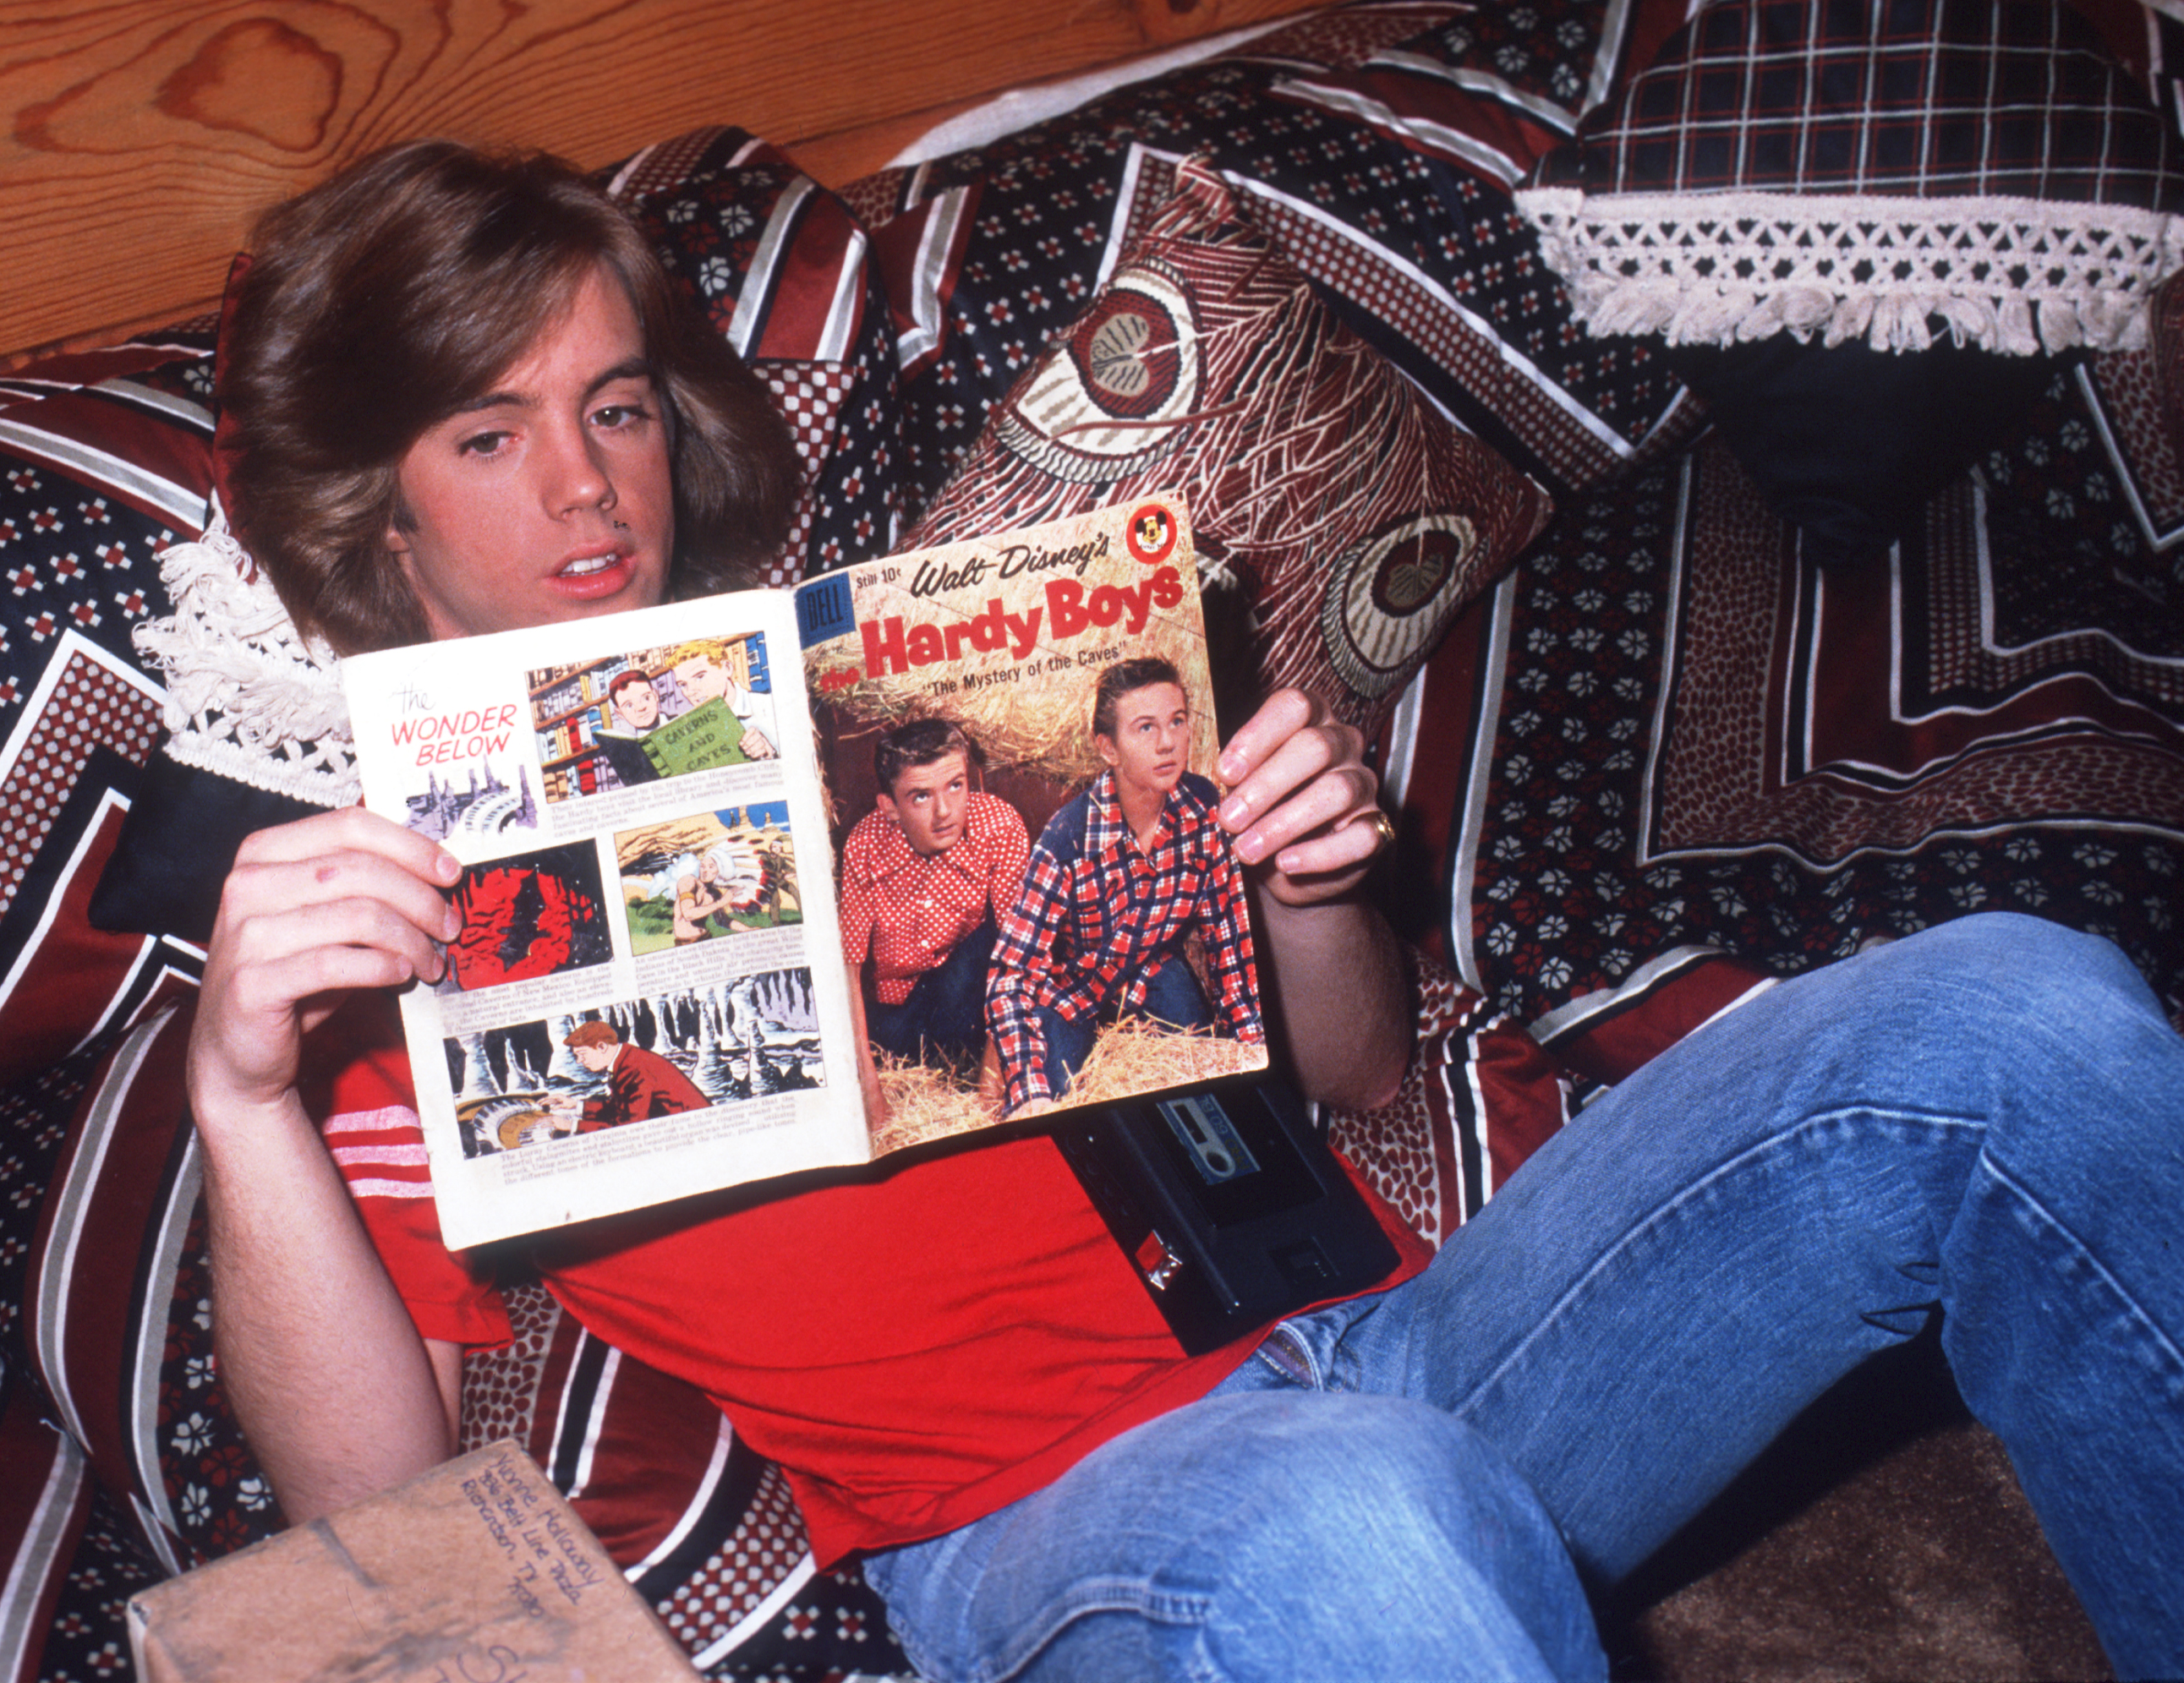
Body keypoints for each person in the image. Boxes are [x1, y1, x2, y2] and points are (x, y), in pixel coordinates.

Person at [188, 139, 2184, 1680]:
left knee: (2021, 1017)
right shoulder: (397, 909)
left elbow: (1348, 1064)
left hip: (1410, 1337)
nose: (586, 489)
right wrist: (242, 1094)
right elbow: (375, 1509)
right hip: (1060, 1526)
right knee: (1352, 1505)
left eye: (613, 405)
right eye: (489, 433)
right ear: (379, 505)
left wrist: (1308, 881)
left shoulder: (914, 687)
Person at [985, 658, 1264, 1119]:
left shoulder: (1204, 811)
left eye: (1177, 721)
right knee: (1057, 1107)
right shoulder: (1067, 838)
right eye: (1145, 728)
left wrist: (1250, 1052)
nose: (1169, 742)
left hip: (1152, 977)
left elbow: (1231, 943)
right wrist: (1030, 1090)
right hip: (1072, 993)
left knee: (1196, 1081)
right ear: (1108, 749)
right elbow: (1010, 976)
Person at [838, 718, 1028, 1109]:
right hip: (896, 1024)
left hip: (968, 1004)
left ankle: (975, 1071)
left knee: (1001, 941)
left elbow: (1016, 959)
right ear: (890, 807)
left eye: (955, 786)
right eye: (921, 797)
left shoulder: (999, 825)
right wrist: (873, 1097)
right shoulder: (865, 844)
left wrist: (990, 1091)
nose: (945, 812)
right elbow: (848, 971)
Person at [548, 1019, 710, 1129]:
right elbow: (621, 1109)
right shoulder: (628, 1059)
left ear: (602, 1047)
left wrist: (572, 1126)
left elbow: (626, 1128)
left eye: (582, 1054)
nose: (579, 1061)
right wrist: (576, 1105)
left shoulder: (633, 1069)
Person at [666, 637, 779, 759]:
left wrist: (771, 754)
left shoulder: (770, 707)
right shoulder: (691, 732)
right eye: (683, 685)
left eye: (700, 677)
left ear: (727, 668)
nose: (691, 691)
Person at [589, 667, 667, 787]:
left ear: (655, 695)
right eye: (629, 705)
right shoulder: (628, 751)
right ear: (620, 713)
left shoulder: (682, 720)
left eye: (646, 698)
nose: (641, 708)